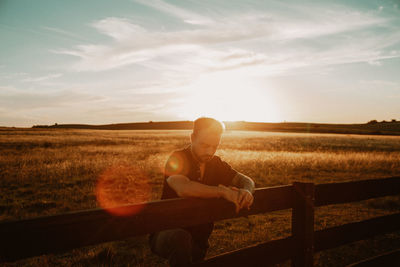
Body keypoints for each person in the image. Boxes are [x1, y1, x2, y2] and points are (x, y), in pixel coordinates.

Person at [149, 117, 255, 267]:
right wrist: (222, 192)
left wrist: (247, 191)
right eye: (204, 145)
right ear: (192, 138)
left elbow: (246, 180)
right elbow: (183, 188)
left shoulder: (216, 164)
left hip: (200, 238)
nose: (210, 151)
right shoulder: (178, 158)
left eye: (214, 146)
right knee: (181, 237)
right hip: (165, 232)